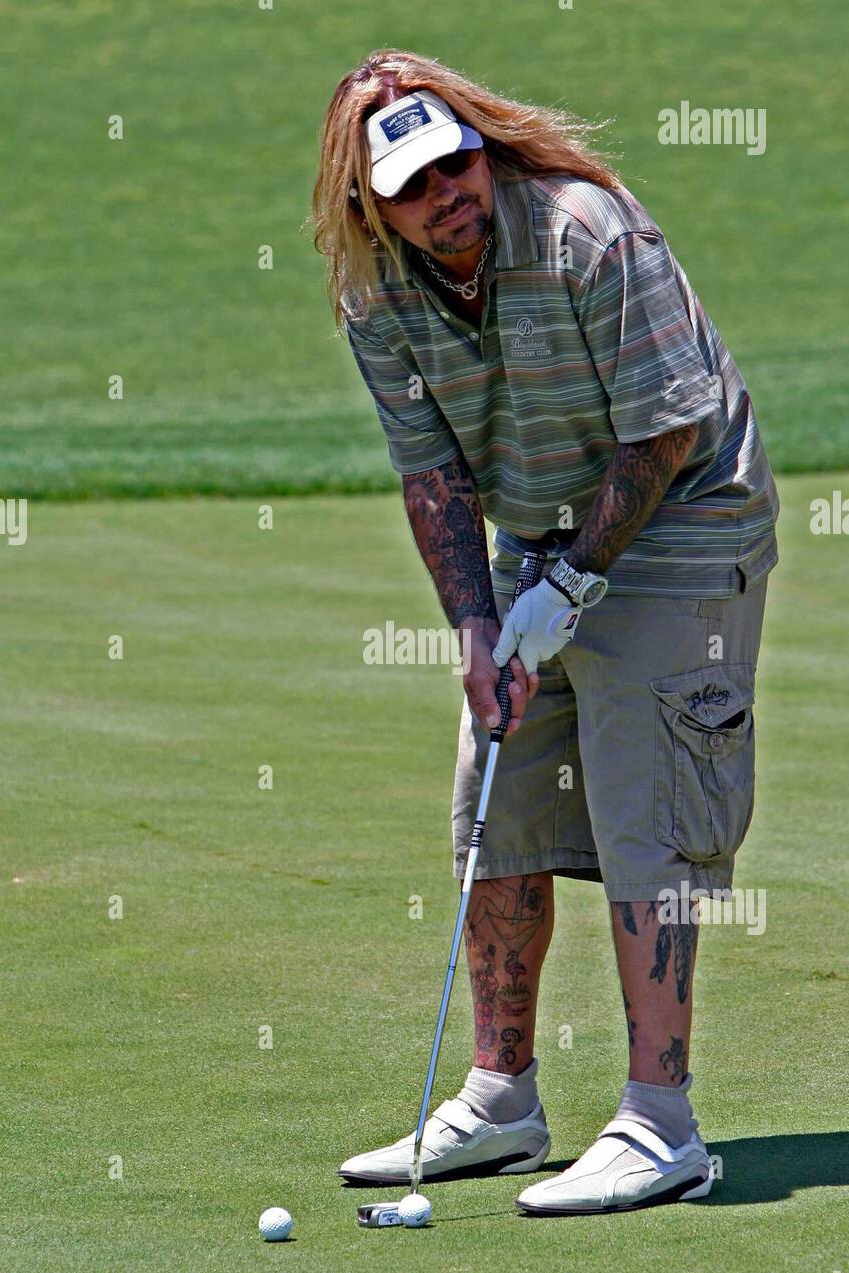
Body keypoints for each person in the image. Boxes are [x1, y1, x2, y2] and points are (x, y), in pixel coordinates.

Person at [310, 50, 778, 1214]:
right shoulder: (375, 292)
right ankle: (503, 1098)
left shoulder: (589, 235)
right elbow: (430, 476)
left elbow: (667, 433)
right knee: (497, 787)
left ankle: (661, 1121)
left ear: (482, 146)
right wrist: (476, 624)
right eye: (415, 184)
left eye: (458, 160)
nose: (449, 192)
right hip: (538, 526)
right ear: (376, 206)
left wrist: (569, 585)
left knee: (644, 802)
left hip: (683, 514)